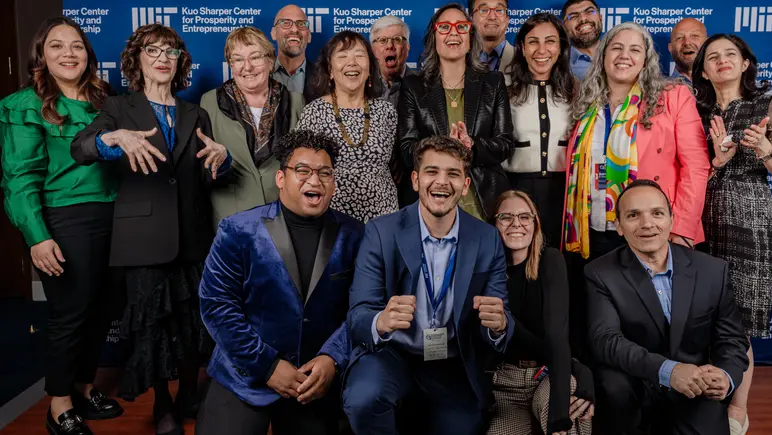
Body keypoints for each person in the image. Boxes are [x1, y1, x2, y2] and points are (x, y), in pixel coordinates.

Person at [71, 23, 230, 435]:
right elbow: (80, 148)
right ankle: (163, 405)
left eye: (171, 52)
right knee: (154, 329)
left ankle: (187, 396)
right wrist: (114, 138)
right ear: (137, 60)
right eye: (153, 50)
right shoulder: (119, 110)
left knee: (193, 324)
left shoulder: (197, 112)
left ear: (180, 63)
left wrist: (222, 159)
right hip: (142, 241)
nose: (163, 57)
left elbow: (209, 174)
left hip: (193, 237)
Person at [342, 136, 515, 435]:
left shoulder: (486, 238)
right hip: (391, 354)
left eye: (453, 174)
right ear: (415, 179)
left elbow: (500, 320)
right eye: (432, 171)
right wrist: (380, 321)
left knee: (465, 427)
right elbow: (357, 318)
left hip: (450, 360)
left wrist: (499, 326)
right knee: (363, 400)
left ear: (465, 185)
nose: (441, 182)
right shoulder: (380, 232)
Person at [196, 130, 364, 435]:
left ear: (334, 183)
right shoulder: (237, 230)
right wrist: (268, 366)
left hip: (314, 381)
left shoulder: (355, 235)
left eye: (324, 173)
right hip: (244, 374)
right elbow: (217, 307)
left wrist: (332, 359)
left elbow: (361, 309)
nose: (315, 180)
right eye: (302, 171)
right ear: (280, 179)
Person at [0, 17, 123, 435]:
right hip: (64, 217)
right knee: (69, 314)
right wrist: (37, 237)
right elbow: (19, 178)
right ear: (42, 55)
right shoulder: (24, 104)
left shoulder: (104, 99)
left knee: (102, 309)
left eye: (76, 46)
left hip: (112, 214)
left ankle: (85, 387)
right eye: (57, 46)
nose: (68, 54)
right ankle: (59, 403)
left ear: (88, 54)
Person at [562, 22, 709, 358]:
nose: (624, 56)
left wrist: (681, 227)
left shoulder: (673, 97)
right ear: (602, 56)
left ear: (646, 60)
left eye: (634, 49)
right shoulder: (587, 103)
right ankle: (600, 397)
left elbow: (696, 166)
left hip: (651, 231)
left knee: (649, 324)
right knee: (599, 325)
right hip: (594, 230)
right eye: (616, 48)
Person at [692, 34, 772, 435]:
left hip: (748, 218)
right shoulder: (694, 109)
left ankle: (738, 408)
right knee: (699, 316)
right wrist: (718, 162)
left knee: (737, 323)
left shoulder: (767, 105)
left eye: (730, 55)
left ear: (744, 64)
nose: (722, 61)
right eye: (713, 57)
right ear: (702, 70)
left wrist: (764, 151)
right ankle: (702, 398)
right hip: (700, 219)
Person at [585, 179, 750, 435]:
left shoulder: (712, 270)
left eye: (657, 213)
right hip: (633, 383)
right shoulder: (599, 272)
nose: (647, 224)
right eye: (633, 215)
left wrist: (726, 376)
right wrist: (668, 370)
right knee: (613, 388)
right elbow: (606, 340)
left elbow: (732, 338)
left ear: (672, 219)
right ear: (618, 226)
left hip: (695, 386)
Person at [487, 190, 594, 435]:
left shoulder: (550, 261)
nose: (516, 224)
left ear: (535, 224)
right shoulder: (486, 269)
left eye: (525, 217)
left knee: (570, 404)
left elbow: (556, 338)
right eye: (506, 217)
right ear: (493, 223)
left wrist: (559, 419)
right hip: (504, 382)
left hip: (546, 373)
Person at [398, 3, 514, 221]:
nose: (453, 33)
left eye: (461, 27)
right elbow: (406, 149)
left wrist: (473, 147)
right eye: (444, 27)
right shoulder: (414, 86)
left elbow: (505, 144)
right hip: (431, 199)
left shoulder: (492, 82)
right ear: (435, 37)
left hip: (483, 199)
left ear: (470, 37)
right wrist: (443, 148)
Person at [201, 27, 304, 228]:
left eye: (255, 57)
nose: (247, 67)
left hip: (283, 215)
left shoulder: (295, 102)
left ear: (270, 60)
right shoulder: (210, 102)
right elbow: (201, 169)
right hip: (232, 216)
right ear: (231, 65)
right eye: (238, 59)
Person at [296, 31, 398, 223]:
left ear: (370, 68)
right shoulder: (314, 112)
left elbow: (395, 165)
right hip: (332, 221)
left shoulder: (387, 112)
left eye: (359, 55)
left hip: (384, 219)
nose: (352, 63)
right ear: (331, 70)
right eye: (342, 56)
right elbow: (301, 168)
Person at [502, 13, 577, 246]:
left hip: (565, 192)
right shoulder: (504, 89)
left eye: (550, 41)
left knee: (558, 258)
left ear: (561, 48)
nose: (541, 50)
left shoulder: (577, 90)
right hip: (516, 188)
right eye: (533, 41)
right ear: (522, 48)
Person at [668, 17, 772, 116]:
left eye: (694, 36)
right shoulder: (661, 90)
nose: (687, 42)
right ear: (670, 48)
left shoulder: (749, 90)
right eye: (679, 38)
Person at [271, 4, 316, 102]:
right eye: (286, 23)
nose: (295, 29)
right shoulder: (259, 75)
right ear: (273, 33)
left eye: (301, 24)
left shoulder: (325, 78)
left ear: (309, 36)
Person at [370, 16, 413, 108]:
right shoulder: (362, 86)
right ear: (372, 50)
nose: (390, 45)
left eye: (397, 39)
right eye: (382, 40)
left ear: (407, 48)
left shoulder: (425, 86)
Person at [560, 0, 602, 79]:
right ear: (564, 26)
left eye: (589, 12)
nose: (583, 19)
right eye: (573, 16)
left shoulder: (620, 56)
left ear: (600, 17)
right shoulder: (559, 66)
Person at [471, 0, 514, 72]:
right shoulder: (460, 60)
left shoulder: (523, 59)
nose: (492, 17)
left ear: (507, 20)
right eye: (484, 10)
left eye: (499, 10)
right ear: (471, 19)